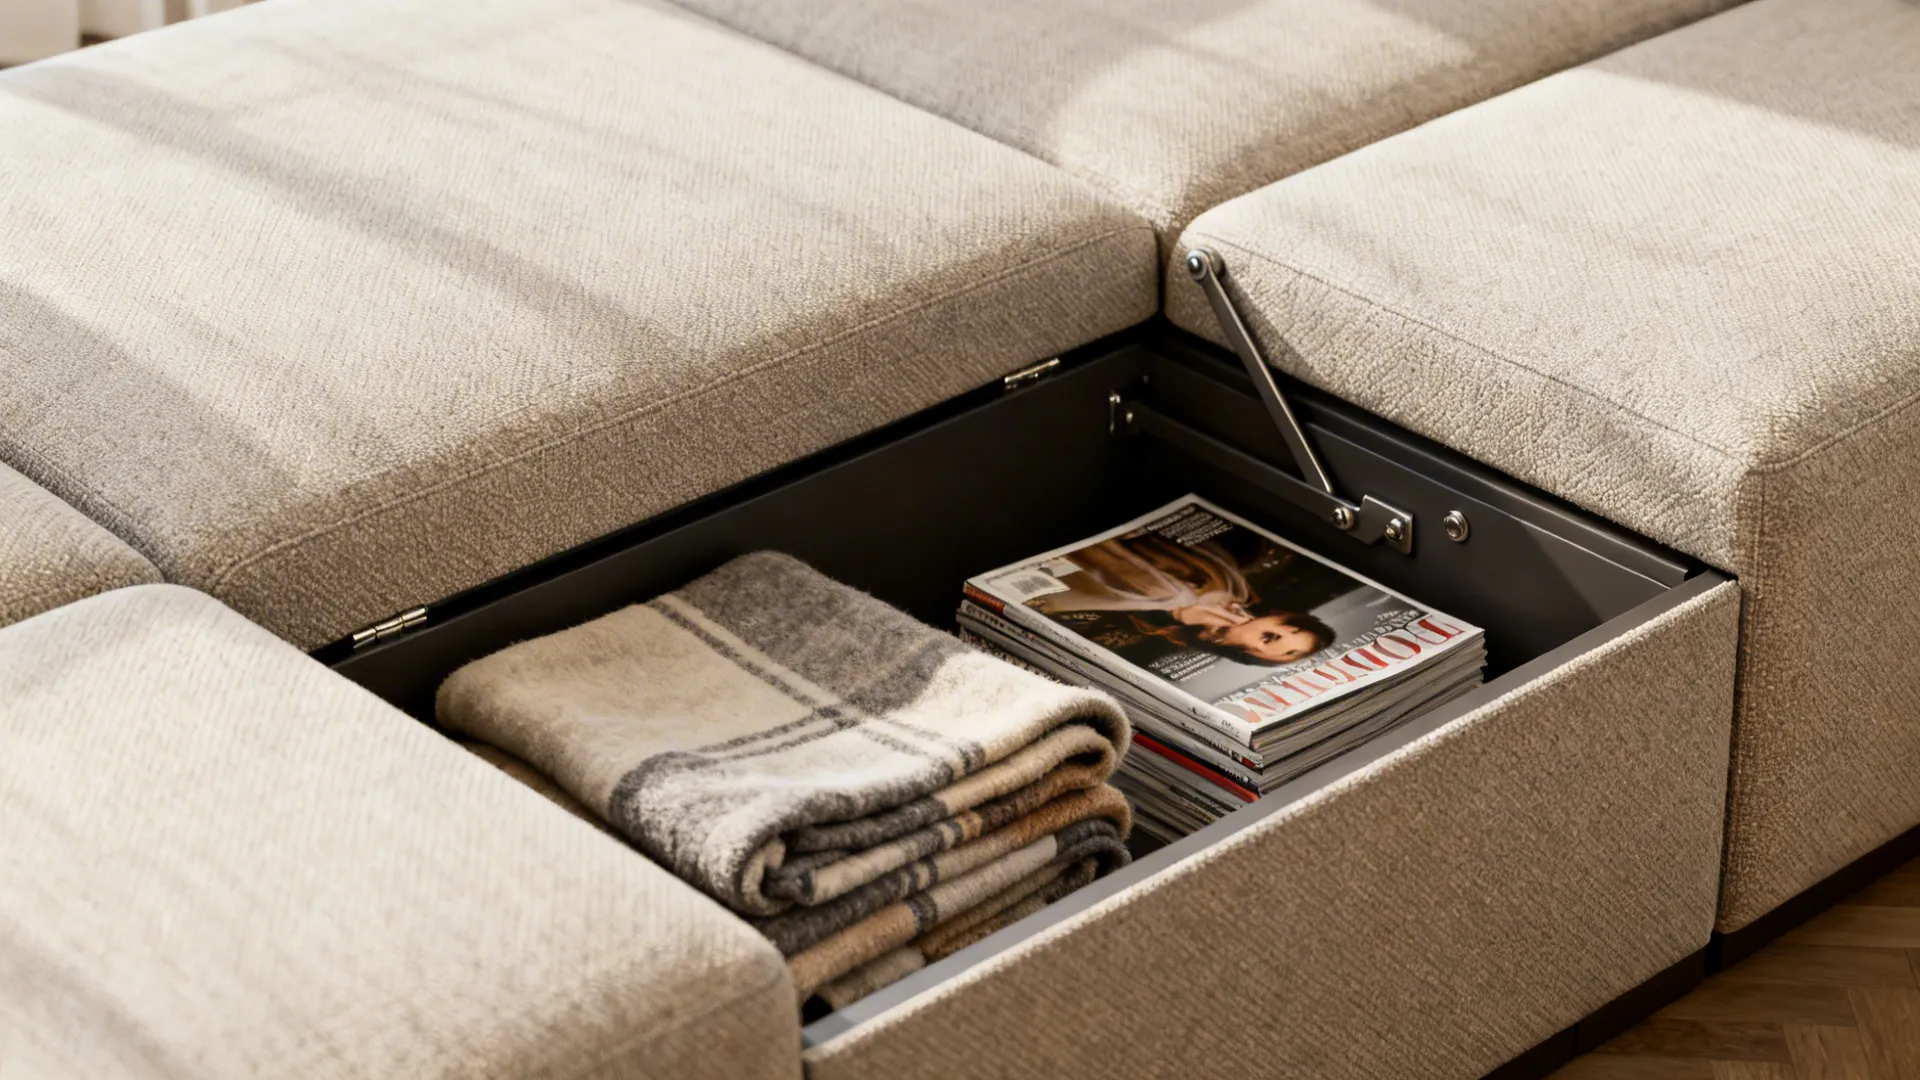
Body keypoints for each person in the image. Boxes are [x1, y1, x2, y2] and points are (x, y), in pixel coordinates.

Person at [1033, 530, 1335, 666]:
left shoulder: (1151, 635)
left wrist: (1180, 606)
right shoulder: (1234, 585)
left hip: (1059, 564)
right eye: (1291, 628)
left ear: (1255, 656)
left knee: (1172, 594)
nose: (1279, 635)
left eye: (1285, 650)